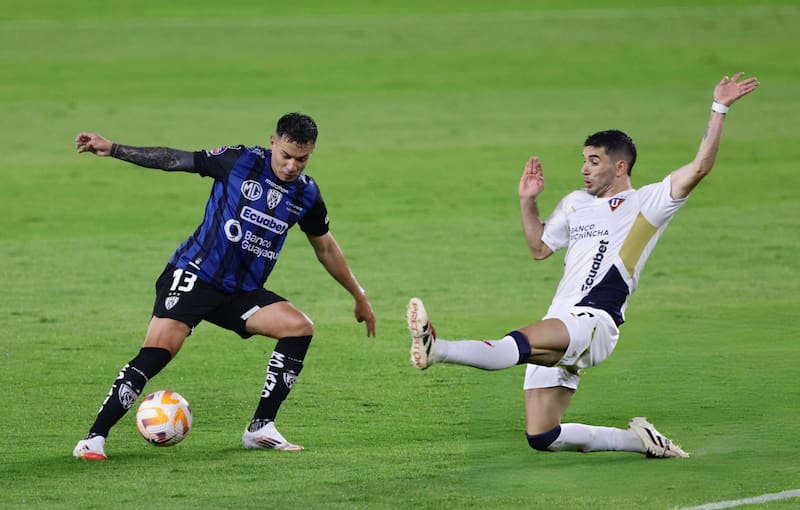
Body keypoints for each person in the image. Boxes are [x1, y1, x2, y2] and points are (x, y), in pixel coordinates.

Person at [407, 73, 759, 458]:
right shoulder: (576, 203)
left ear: (620, 167)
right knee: (542, 435)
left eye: (594, 161)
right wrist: (528, 201)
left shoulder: (648, 202)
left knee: (515, 344)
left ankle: (437, 349)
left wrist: (719, 106)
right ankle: (641, 441)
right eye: (584, 161)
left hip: (594, 321)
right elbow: (539, 247)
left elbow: (700, 167)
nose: (584, 169)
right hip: (561, 317)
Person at [73, 112, 376, 460]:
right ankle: (93, 439)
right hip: (196, 275)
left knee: (298, 328)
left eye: (302, 159)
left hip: (241, 291)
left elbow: (325, 248)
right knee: (158, 353)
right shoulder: (239, 161)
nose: (292, 166)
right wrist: (113, 148)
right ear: (273, 143)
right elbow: (174, 159)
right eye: (286, 156)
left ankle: (260, 428)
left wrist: (359, 295)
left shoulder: (306, 194)